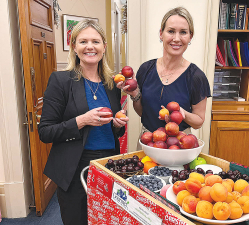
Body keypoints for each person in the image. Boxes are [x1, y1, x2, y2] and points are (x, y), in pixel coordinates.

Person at [38, 19, 128, 225]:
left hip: (108, 165)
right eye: (83, 41)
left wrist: (116, 125)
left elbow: (115, 134)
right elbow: (45, 132)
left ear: (104, 47)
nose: (90, 46)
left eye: (96, 42)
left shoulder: (112, 84)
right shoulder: (60, 81)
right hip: (74, 167)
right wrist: (81, 121)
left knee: (107, 219)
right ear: (74, 47)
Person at [117, 7, 210, 136]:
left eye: (183, 32)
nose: (176, 38)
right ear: (161, 34)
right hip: (148, 140)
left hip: (178, 144)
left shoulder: (196, 77)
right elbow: (144, 113)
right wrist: (135, 95)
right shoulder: (145, 69)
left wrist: (183, 114)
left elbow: (198, 122)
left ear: (190, 37)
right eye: (171, 31)